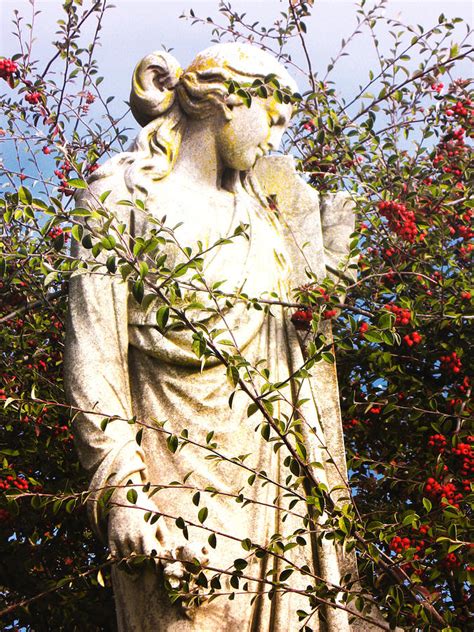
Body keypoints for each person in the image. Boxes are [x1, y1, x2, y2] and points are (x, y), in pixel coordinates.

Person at [64, 43, 358, 632]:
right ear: (227, 102)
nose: (274, 139)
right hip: (170, 484)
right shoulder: (121, 199)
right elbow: (93, 357)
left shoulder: (261, 218)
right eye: (271, 118)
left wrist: (324, 287)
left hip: (278, 490)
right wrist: (120, 488)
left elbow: (295, 353)